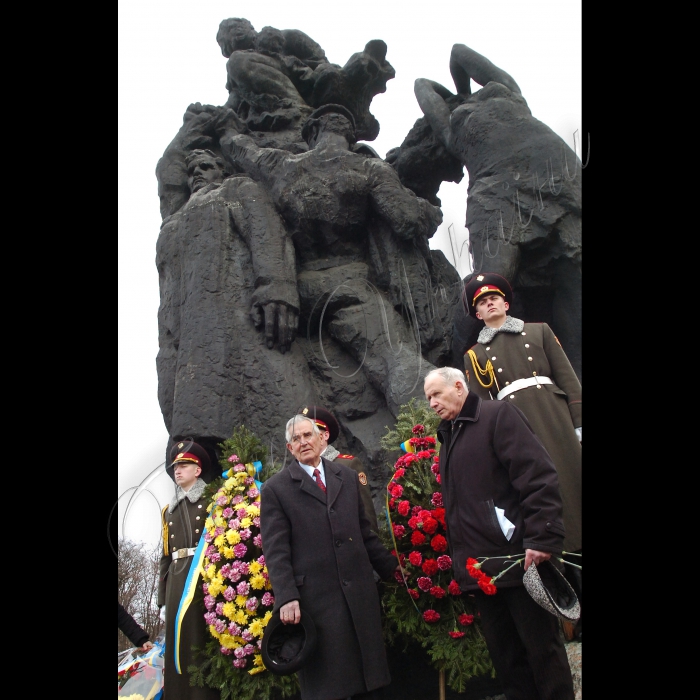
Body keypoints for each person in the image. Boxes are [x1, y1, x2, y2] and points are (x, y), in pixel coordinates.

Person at [216, 104, 445, 415]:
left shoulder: (279, 164)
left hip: (299, 296)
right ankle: (435, 432)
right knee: (397, 359)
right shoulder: (367, 169)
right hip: (351, 289)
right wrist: (429, 211)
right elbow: (406, 219)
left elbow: (240, 150)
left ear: (312, 133)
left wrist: (227, 128)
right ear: (349, 136)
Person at [414, 43, 582, 381]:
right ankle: (463, 370)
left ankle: (576, 382)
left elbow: (459, 53)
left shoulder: (509, 91)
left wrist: (461, 93)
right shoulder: (451, 128)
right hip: (496, 191)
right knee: (492, 281)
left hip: (556, 174)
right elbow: (421, 85)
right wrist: (458, 101)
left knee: (575, 274)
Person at [423, 366, 575, 700]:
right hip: (483, 572)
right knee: (507, 661)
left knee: (543, 653)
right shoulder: (448, 435)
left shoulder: (497, 415)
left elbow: (537, 476)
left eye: (437, 394)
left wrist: (540, 539)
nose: (432, 403)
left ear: (459, 387)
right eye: (428, 398)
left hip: (521, 561)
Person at [156, 147, 307, 448]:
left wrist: (276, 288)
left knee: (283, 403)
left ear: (220, 170)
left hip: (250, 317)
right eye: (191, 171)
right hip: (194, 342)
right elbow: (169, 290)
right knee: (199, 433)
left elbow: (266, 233)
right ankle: (219, 489)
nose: (196, 174)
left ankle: (311, 468)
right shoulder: (172, 226)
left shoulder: (236, 189)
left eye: (204, 166)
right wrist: (169, 347)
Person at [462, 272, 582, 639]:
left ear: (506, 302)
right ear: (477, 313)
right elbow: (483, 409)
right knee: (547, 507)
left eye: (494, 298)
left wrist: (578, 422)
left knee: (576, 493)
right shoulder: (474, 355)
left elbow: (567, 377)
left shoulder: (539, 332)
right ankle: (570, 610)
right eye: (482, 302)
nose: (490, 304)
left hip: (556, 421)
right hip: (519, 432)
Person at [260, 414, 402, 700]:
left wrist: (393, 571)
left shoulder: (346, 477)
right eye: (296, 439)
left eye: (307, 435)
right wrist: (287, 596)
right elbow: (275, 550)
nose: (303, 442)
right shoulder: (276, 489)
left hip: (359, 597)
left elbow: (365, 533)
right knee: (330, 685)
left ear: (321, 438)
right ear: (290, 449)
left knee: (370, 682)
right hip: (316, 602)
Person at [158, 440, 221, 700]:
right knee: (177, 647)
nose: (178, 470)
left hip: (201, 581)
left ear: (197, 470)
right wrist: (162, 600)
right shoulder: (168, 511)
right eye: (176, 466)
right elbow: (165, 558)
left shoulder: (213, 501)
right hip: (176, 583)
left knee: (198, 642)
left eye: (184, 465)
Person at [299, 404, 379, 533]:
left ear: (324, 436)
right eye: (300, 436)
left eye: (309, 434)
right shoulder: (297, 472)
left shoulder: (347, 465)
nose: (304, 441)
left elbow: (366, 515)